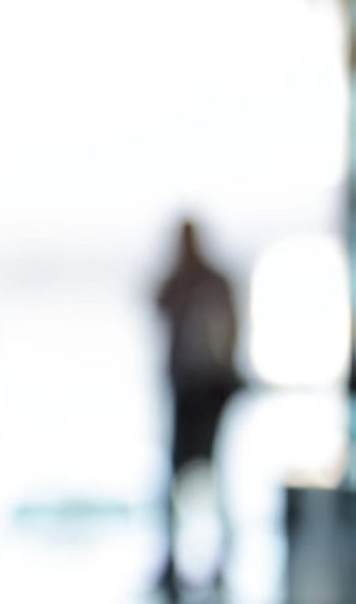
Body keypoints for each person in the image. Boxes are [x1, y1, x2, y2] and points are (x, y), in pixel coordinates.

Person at [154, 219, 241, 592]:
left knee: (212, 477)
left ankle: (218, 559)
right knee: (178, 479)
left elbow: (229, 333)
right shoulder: (180, 282)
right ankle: (175, 558)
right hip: (187, 393)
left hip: (205, 395)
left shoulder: (209, 283)